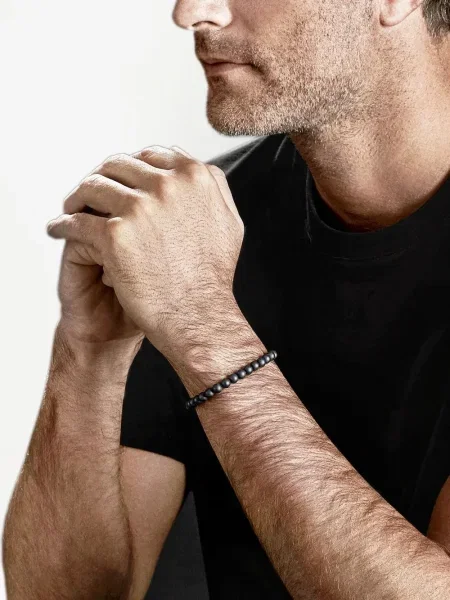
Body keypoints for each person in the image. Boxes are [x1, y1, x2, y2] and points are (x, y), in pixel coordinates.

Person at [3, 0, 450, 598]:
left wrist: (205, 328)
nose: (190, 13)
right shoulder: (199, 228)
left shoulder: (194, 274)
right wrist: (89, 351)